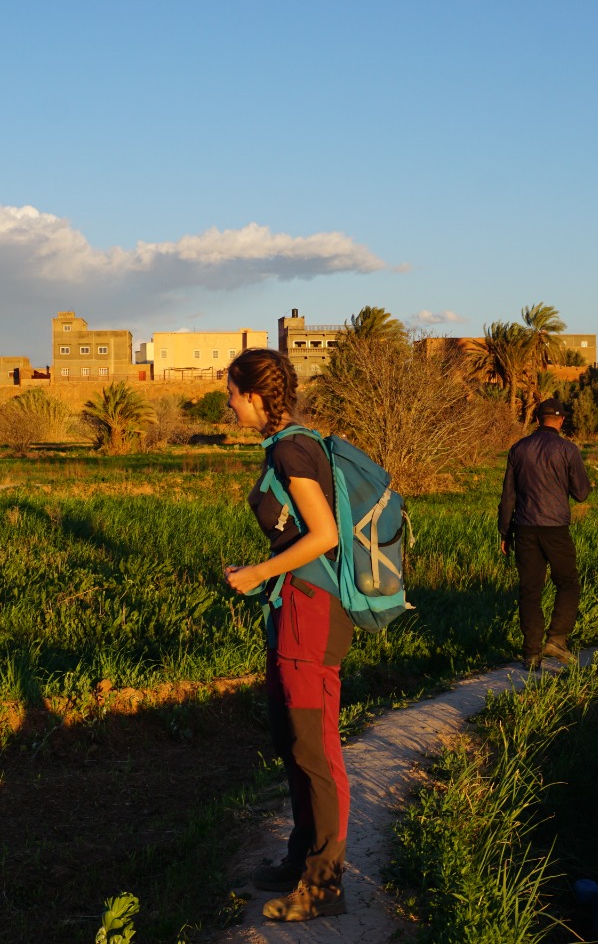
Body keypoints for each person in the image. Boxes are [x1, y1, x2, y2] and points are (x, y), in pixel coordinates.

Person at [223, 348, 352, 923]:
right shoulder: (289, 445)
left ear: (253, 396)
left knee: (315, 748)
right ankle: (302, 856)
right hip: (293, 609)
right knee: (291, 739)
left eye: (230, 393)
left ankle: (324, 885)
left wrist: (257, 574)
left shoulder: (291, 448)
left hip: (312, 612)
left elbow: (322, 534)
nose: (228, 404)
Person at [499, 397, 592, 668]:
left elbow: (508, 496)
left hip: (524, 529)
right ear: (561, 420)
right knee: (568, 582)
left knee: (530, 590)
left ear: (537, 419)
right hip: (556, 530)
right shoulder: (567, 450)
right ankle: (557, 638)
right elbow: (581, 494)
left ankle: (531, 653)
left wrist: (505, 532)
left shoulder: (518, 449)